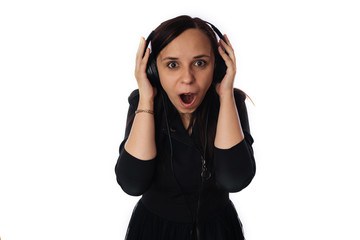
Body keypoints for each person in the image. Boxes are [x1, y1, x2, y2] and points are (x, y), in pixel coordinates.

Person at [115, 15, 256, 240]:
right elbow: (132, 183)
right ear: (153, 70)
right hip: (154, 231)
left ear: (217, 67)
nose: (187, 78)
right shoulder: (143, 103)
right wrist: (146, 98)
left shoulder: (230, 104)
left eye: (200, 63)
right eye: (172, 65)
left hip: (217, 231)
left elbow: (235, 179)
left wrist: (226, 95)